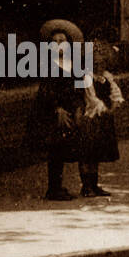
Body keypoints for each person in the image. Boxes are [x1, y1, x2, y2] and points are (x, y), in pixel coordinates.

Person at [29, 19, 87, 200]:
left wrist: (78, 106)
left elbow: (79, 87)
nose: (59, 45)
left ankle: (61, 186)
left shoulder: (73, 64)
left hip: (70, 109)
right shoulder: (49, 64)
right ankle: (53, 188)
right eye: (55, 42)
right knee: (55, 148)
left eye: (63, 41)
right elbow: (47, 90)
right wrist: (57, 109)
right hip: (54, 111)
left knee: (64, 148)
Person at [76, 40, 124, 197]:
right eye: (96, 62)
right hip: (89, 117)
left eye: (102, 62)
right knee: (87, 153)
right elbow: (91, 98)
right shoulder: (85, 77)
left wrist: (115, 105)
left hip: (102, 118)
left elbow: (115, 92)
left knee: (96, 153)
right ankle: (86, 186)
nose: (100, 65)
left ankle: (94, 184)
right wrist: (105, 108)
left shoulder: (107, 77)